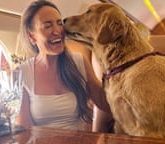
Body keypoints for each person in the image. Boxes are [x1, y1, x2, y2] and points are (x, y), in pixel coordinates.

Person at [15, 0, 113, 131]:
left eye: (59, 23)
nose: (58, 31)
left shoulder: (79, 62)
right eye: (48, 26)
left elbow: (105, 104)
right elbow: (25, 130)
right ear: (32, 36)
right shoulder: (22, 72)